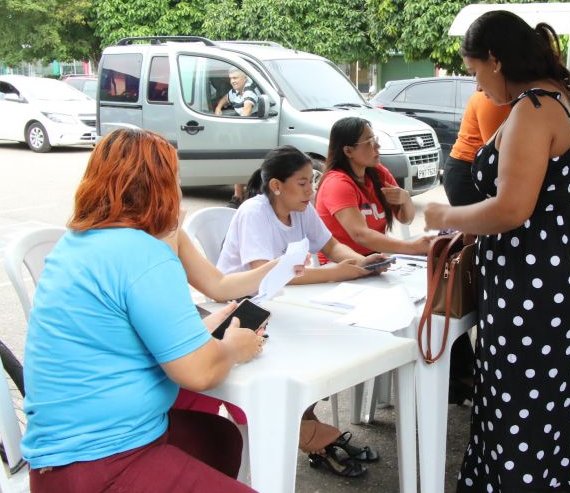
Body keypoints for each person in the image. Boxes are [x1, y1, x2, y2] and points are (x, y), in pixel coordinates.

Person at [21, 129, 261, 492]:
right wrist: (234, 347)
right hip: (102, 462)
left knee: (221, 438)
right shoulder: (144, 254)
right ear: (161, 189)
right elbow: (199, 371)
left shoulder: (76, 243)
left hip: (63, 458)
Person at [423, 10, 570, 492]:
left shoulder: (533, 109)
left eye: (475, 70)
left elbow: (510, 209)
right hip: (558, 275)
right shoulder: (561, 100)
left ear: (496, 60)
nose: (476, 84)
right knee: (552, 408)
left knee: (520, 407)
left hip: (532, 286)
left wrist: (444, 216)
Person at [217, 144, 388, 478]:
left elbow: (330, 246)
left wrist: (357, 260)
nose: (311, 190)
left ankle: (307, 424)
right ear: (276, 186)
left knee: (325, 337)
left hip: (277, 302)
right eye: (303, 183)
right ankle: (309, 433)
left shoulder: (301, 208)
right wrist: (340, 271)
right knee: (303, 346)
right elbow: (266, 272)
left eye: (312, 181)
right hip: (241, 308)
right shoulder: (255, 212)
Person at [442, 91, 511, 405]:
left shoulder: (521, 100)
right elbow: (497, 155)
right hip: (468, 174)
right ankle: (462, 375)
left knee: (480, 258)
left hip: (479, 176)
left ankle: (465, 373)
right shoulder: (491, 98)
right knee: (474, 258)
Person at [315, 116, 432, 256]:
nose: (377, 146)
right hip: (340, 266)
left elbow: (406, 219)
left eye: (375, 139)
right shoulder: (337, 183)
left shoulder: (378, 173)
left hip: (374, 258)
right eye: (369, 142)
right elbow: (360, 235)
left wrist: (406, 199)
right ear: (348, 151)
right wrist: (412, 247)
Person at [215, 67, 261, 209]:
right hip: (247, 129)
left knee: (240, 158)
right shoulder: (235, 90)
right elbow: (225, 98)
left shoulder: (249, 88)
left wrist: (236, 128)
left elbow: (247, 109)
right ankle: (238, 195)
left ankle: (242, 196)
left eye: (235, 78)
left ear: (245, 78)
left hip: (255, 129)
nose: (232, 81)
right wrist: (218, 108)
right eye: (231, 78)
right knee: (238, 158)